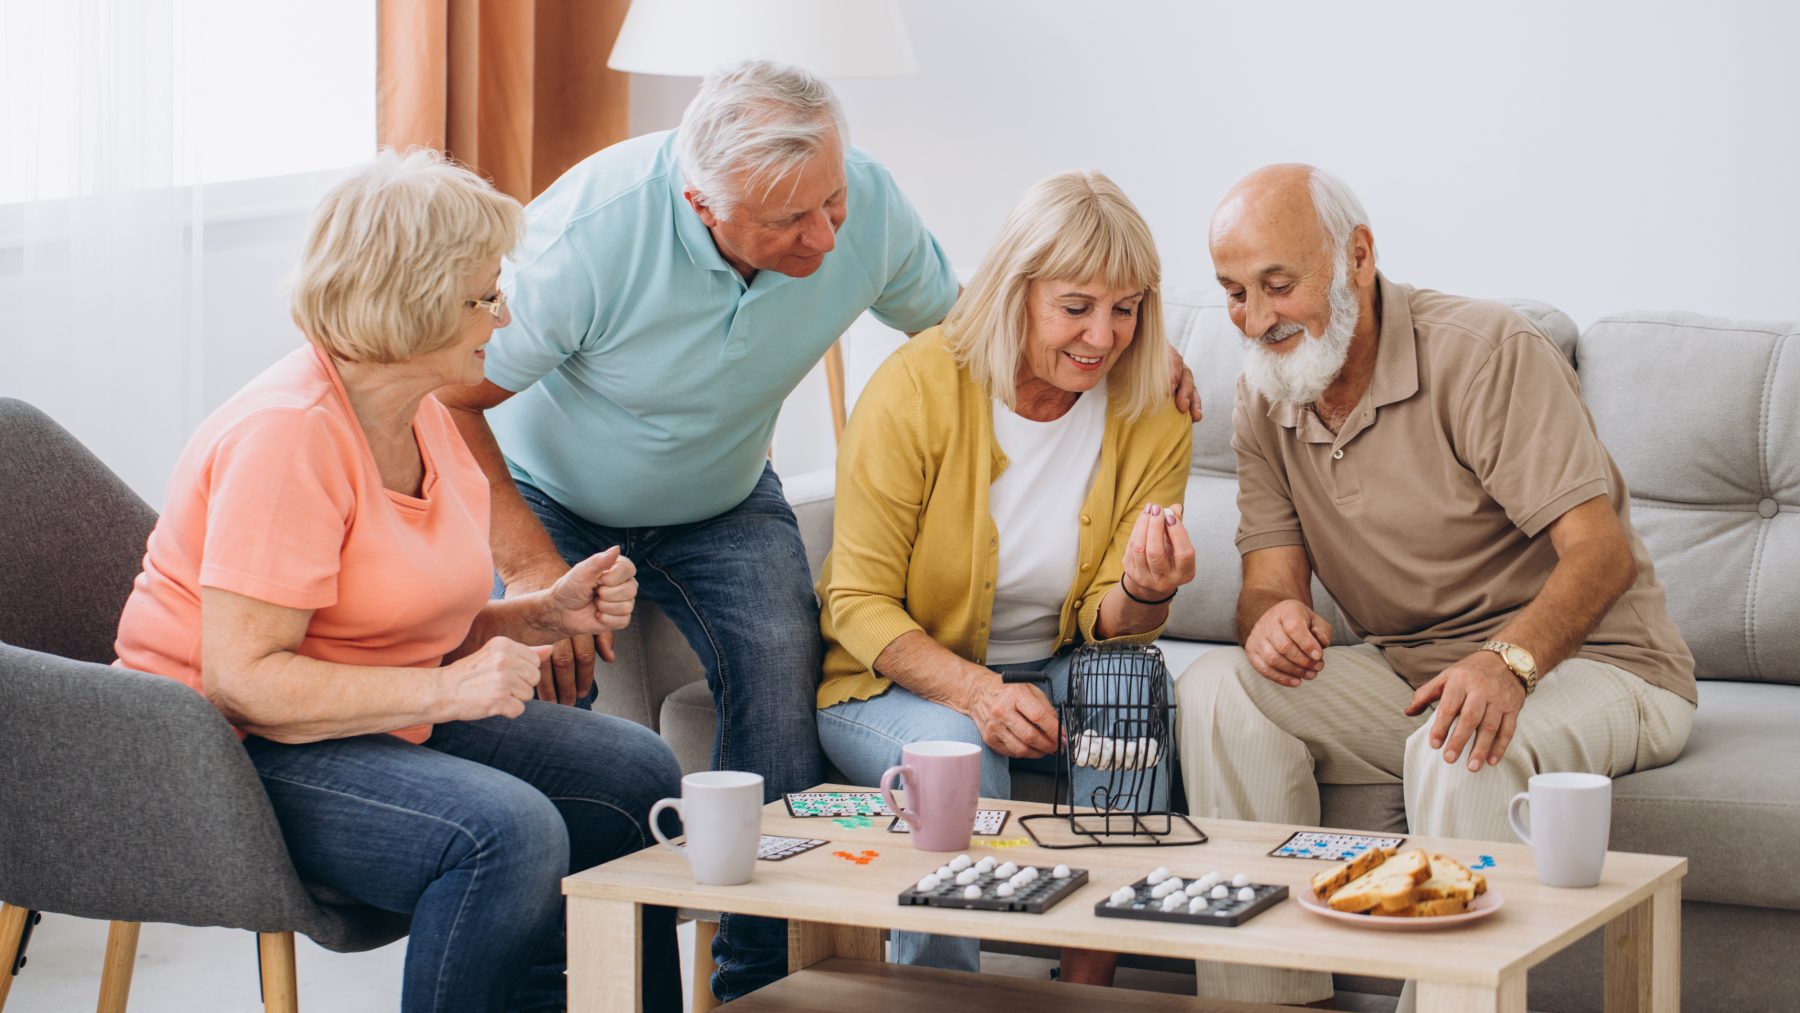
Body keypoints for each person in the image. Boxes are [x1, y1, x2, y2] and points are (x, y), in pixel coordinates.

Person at [434, 61, 1203, 999]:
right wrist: (527, 568)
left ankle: (762, 978)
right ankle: (557, 975)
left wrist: (1127, 344)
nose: (827, 236)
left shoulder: (863, 209)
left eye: (832, 201)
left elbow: (973, 337)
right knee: (558, 698)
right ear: (703, 203)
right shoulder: (591, 239)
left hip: (717, 493)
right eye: (791, 220)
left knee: (778, 661)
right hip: (551, 488)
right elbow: (451, 395)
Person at [113, 150, 683, 1013]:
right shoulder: (288, 438)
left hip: (364, 715)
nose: (506, 313)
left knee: (636, 772)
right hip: (219, 754)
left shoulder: (418, 410)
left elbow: (391, 621)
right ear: (413, 303)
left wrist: (537, 613)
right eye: (484, 297)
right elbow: (245, 679)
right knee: (506, 833)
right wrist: (451, 689)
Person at [1177, 163, 1697, 1007]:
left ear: (1357, 256)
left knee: (1459, 742)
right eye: (1234, 292)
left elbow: (1602, 555)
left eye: (1278, 284)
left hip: (1601, 663)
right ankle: (1264, 997)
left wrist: (1507, 663)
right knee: (1218, 691)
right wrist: (1270, 621)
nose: (1257, 318)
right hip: (1414, 671)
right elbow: (1269, 587)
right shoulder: (1264, 396)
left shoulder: (1484, 352)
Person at [816, 171, 1196, 982]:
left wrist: (1147, 589)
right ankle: (941, 990)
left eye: (1126, 309)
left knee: (1133, 686)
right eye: (1076, 306)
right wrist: (979, 694)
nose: (1103, 335)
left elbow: (1111, 620)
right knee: (958, 747)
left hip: (1051, 664)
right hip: (897, 688)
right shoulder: (918, 387)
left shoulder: (1152, 408)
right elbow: (855, 599)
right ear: (1016, 292)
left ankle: (1086, 981)